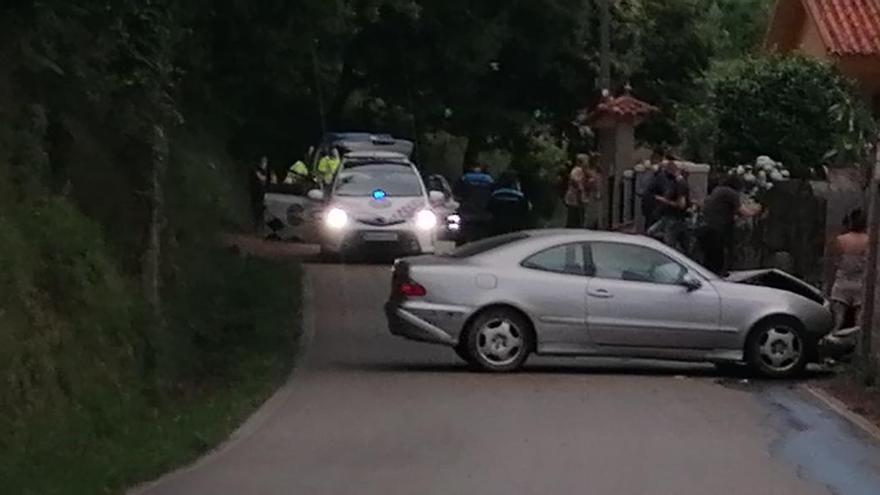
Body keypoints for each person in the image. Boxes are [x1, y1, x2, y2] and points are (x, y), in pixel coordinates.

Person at [697, 175, 761, 275]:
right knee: (717, 261)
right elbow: (744, 212)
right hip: (716, 230)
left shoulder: (718, 190)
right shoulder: (731, 193)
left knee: (708, 259)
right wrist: (758, 210)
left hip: (704, 227)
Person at [829, 209, 869, 330]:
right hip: (860, 283)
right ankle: (858, 346)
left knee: (838, 319)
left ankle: (835, 338)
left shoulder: (841, 240)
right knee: (859, 321)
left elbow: (835, 261)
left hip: (842, 281)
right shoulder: (868, 240)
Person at [647, 157, 690, 249]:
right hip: (667, 216)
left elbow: (681, 205)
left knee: (669, 243)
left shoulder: (680, 184)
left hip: (674, 218)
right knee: (651, 232)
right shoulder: (673, 182)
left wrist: (663, 200)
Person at [453, 165, 495, 242]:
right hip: (484, 212)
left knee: (462, 235)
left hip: (466, 212)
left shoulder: (464, 178)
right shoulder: (490, 180)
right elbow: (493, 195)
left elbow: (456, 194)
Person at [488, 171, 530, 236]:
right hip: (515, 227)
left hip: (497, 226)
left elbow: (489, 208)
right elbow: (527, 209)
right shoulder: (520, 197)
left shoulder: (495, 195)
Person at [564, 154, 599, 228]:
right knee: (574, 221)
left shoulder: (586, 172)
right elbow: (577, 183)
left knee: (580, 220)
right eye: (586, 161)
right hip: (574, 201)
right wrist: (583, 196)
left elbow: (593, 182)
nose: (587, 163)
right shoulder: (577, 171)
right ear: (581, 162)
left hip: (579, 202)